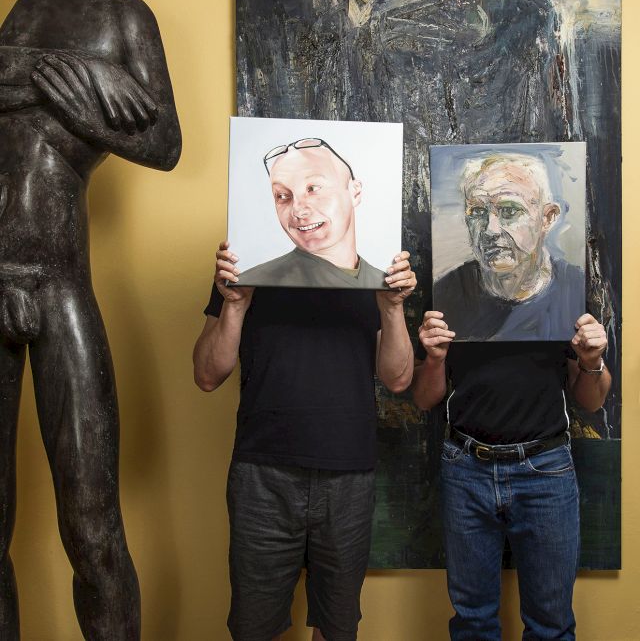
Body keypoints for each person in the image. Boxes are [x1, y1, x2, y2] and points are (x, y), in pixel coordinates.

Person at [0, 0, 180, 640]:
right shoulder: (23, 13)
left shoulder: (125, 21)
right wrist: (56, 76)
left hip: (62, 279)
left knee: (94, 529)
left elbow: (163, 141)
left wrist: (78, 94)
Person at [193, 238, 417, 641]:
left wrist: (393, 307)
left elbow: (399, 378)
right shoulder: (249, 257)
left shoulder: (373, 264)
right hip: (262, 474)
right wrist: (236, 304)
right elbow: (208, 375)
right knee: (253, 627)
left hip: (348, 473)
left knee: (336, 627)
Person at [413, 304, 611, 639]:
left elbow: (592, 401)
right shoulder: (453, 288)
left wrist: (592, 361)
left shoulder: (562, 289)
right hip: (467, 466)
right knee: (472, 623)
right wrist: (434, 359)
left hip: (545, 469)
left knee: (551, 624)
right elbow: (423, 399)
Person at [434, 152, 584, 340]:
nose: (490, 230)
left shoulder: (578, 291)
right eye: (478, 212)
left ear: (547, 218)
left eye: (509, 210)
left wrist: (592, 362)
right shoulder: (446, 295)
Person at [234, 138, 388, 288]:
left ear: (355, 193)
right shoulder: (245, 282)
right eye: (282, 196)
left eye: (313, 189)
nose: (298, 210)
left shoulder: (386, 285)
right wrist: (234, 305)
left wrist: (393, 306)